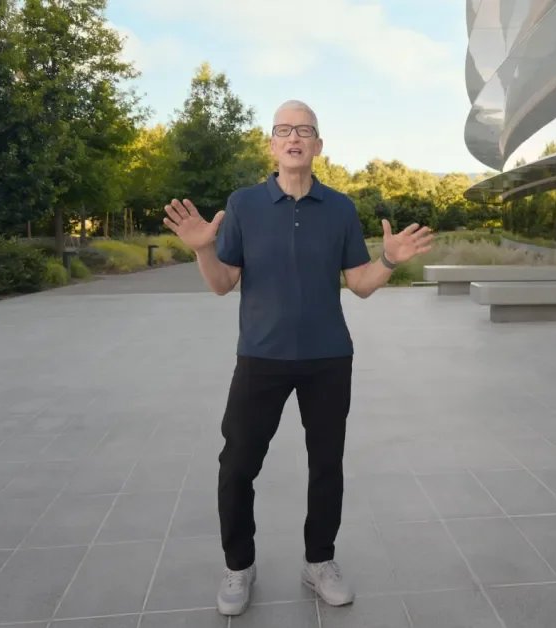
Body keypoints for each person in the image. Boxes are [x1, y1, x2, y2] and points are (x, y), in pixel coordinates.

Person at [163, 99, 434, 616]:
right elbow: (222, 284)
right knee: (237, 465)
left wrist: (388, 259)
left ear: (318, 146)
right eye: (284, 130)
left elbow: (360, 284)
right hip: (260, 357)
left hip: (328, 358)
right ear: (271, 144)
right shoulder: (243, 204)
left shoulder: (340, 209)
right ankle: (239, 565)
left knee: (326, 465)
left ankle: (319, 561)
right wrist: (202, 249)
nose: (294, 137)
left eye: (304, 130)